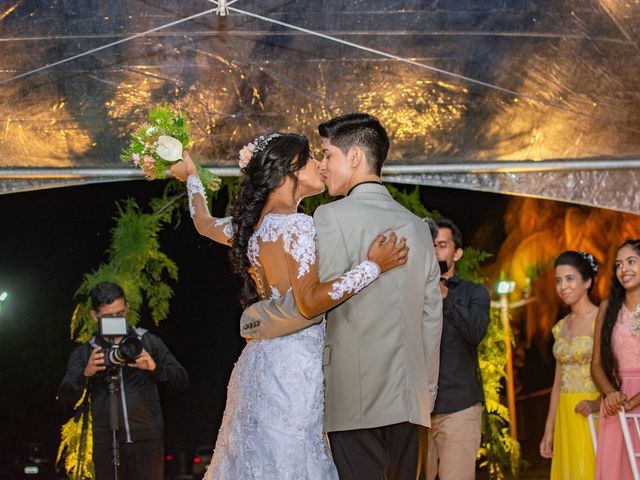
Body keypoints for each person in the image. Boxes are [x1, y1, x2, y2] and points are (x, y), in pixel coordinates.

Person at [170, 131, 408, 479]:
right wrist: (372, 267)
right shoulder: (297, 224)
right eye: (312, 158)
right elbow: (310, 302)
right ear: (289, 169)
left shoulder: (250, 227)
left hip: (257, 363)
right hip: (294, 368)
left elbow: (203, 223)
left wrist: (192, 177)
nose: (320, 165)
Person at [239, 113, 443, 480]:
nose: (323, 166)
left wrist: (254, 319)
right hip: (413, 407)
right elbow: (431, 320)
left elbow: (311, 304)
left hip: (354, 401)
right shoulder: (418, 227)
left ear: (354, 158)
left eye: (328, 155)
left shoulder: (329, 218)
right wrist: (424, 395)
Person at [57, 281, 189, 480]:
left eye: (120, 314)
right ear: (95, 316)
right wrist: (86, 373)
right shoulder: (85, 352)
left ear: (127, 309)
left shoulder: (147, 342)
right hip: (106, 442)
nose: (116, 320)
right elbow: (64, 397)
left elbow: (182, 380)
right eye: (109, 317)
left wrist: (155, 368)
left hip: (147, 440)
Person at [426, 218, 490, 480]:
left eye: (442, 245)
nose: (435, 251)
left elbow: (475, 332)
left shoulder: (474, 293)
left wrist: (446, 296)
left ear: (458, 252)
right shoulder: (413, 293)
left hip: (459, 407)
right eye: (431, 245)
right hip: (419, 412)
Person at [539, 251, 601, 479]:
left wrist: (598, 403)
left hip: (590, 410)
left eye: (569, 278)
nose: (562, 286)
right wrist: (549, 429)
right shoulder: (560, 327)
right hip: (565, 413)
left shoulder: (601, 319)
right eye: (558, 280)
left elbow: (613, 373)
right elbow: (557, 383)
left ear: (587, 281)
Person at [591, 239, 640, 479]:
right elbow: (597, 364)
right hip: (616, 401)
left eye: (631, 261)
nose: (624, 269)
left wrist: (635, 400)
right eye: (619, 264)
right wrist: (611, 394)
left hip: (636, 398)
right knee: (616, 470)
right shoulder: (607, 307)